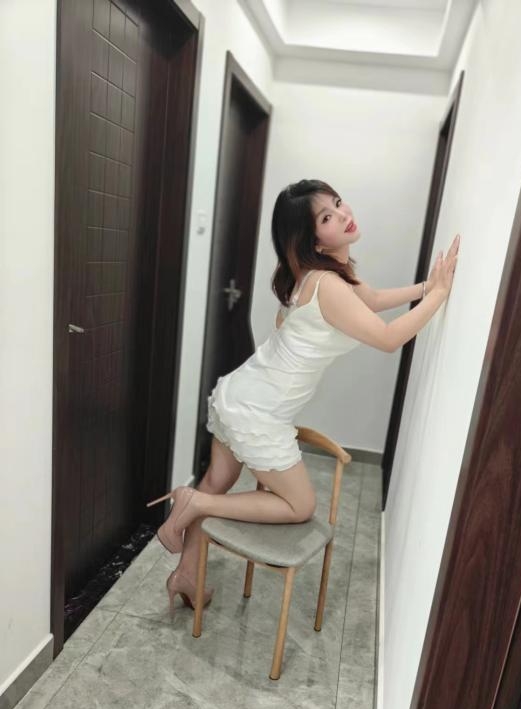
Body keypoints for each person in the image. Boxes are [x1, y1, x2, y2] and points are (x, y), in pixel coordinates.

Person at [146, 178, 459, 614]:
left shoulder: (324, 275)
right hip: (258, 410)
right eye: (328, 217)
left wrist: (425, 288)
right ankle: (193, 501)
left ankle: (186, 575)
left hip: (242, 392)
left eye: (338, 203)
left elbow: (372, 299)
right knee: (299, 504)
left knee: (218, 479)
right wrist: (440, 295)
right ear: (314, 239)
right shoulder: (328, 285)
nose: (344, 214)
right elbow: (388, 339)